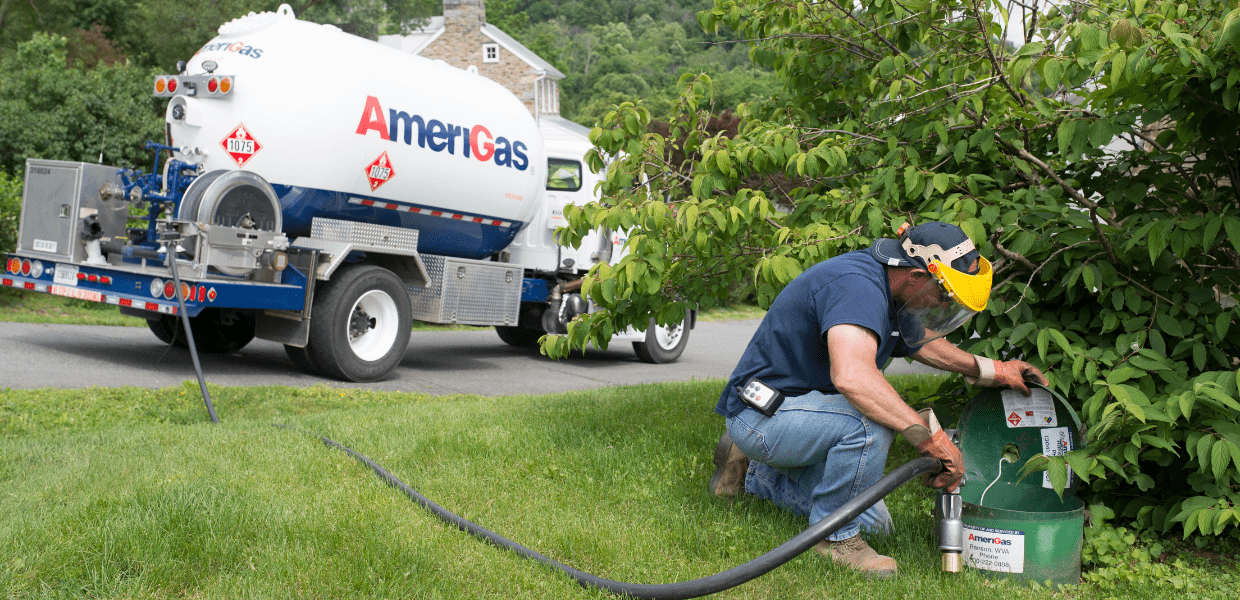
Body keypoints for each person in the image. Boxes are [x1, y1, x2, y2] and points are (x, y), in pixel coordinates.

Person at [708, 221, 1047, 578]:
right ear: (917, 274)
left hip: (808, 413)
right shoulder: (857, 287)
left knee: (876, 526)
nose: (944, 306)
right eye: (945, 295)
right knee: (868, 422)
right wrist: (929, 438)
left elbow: (922, 343)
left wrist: (994, 370)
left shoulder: (895, 291)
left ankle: (752, 475)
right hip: (763, 413)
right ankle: (835, 540)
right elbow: (853, 379)